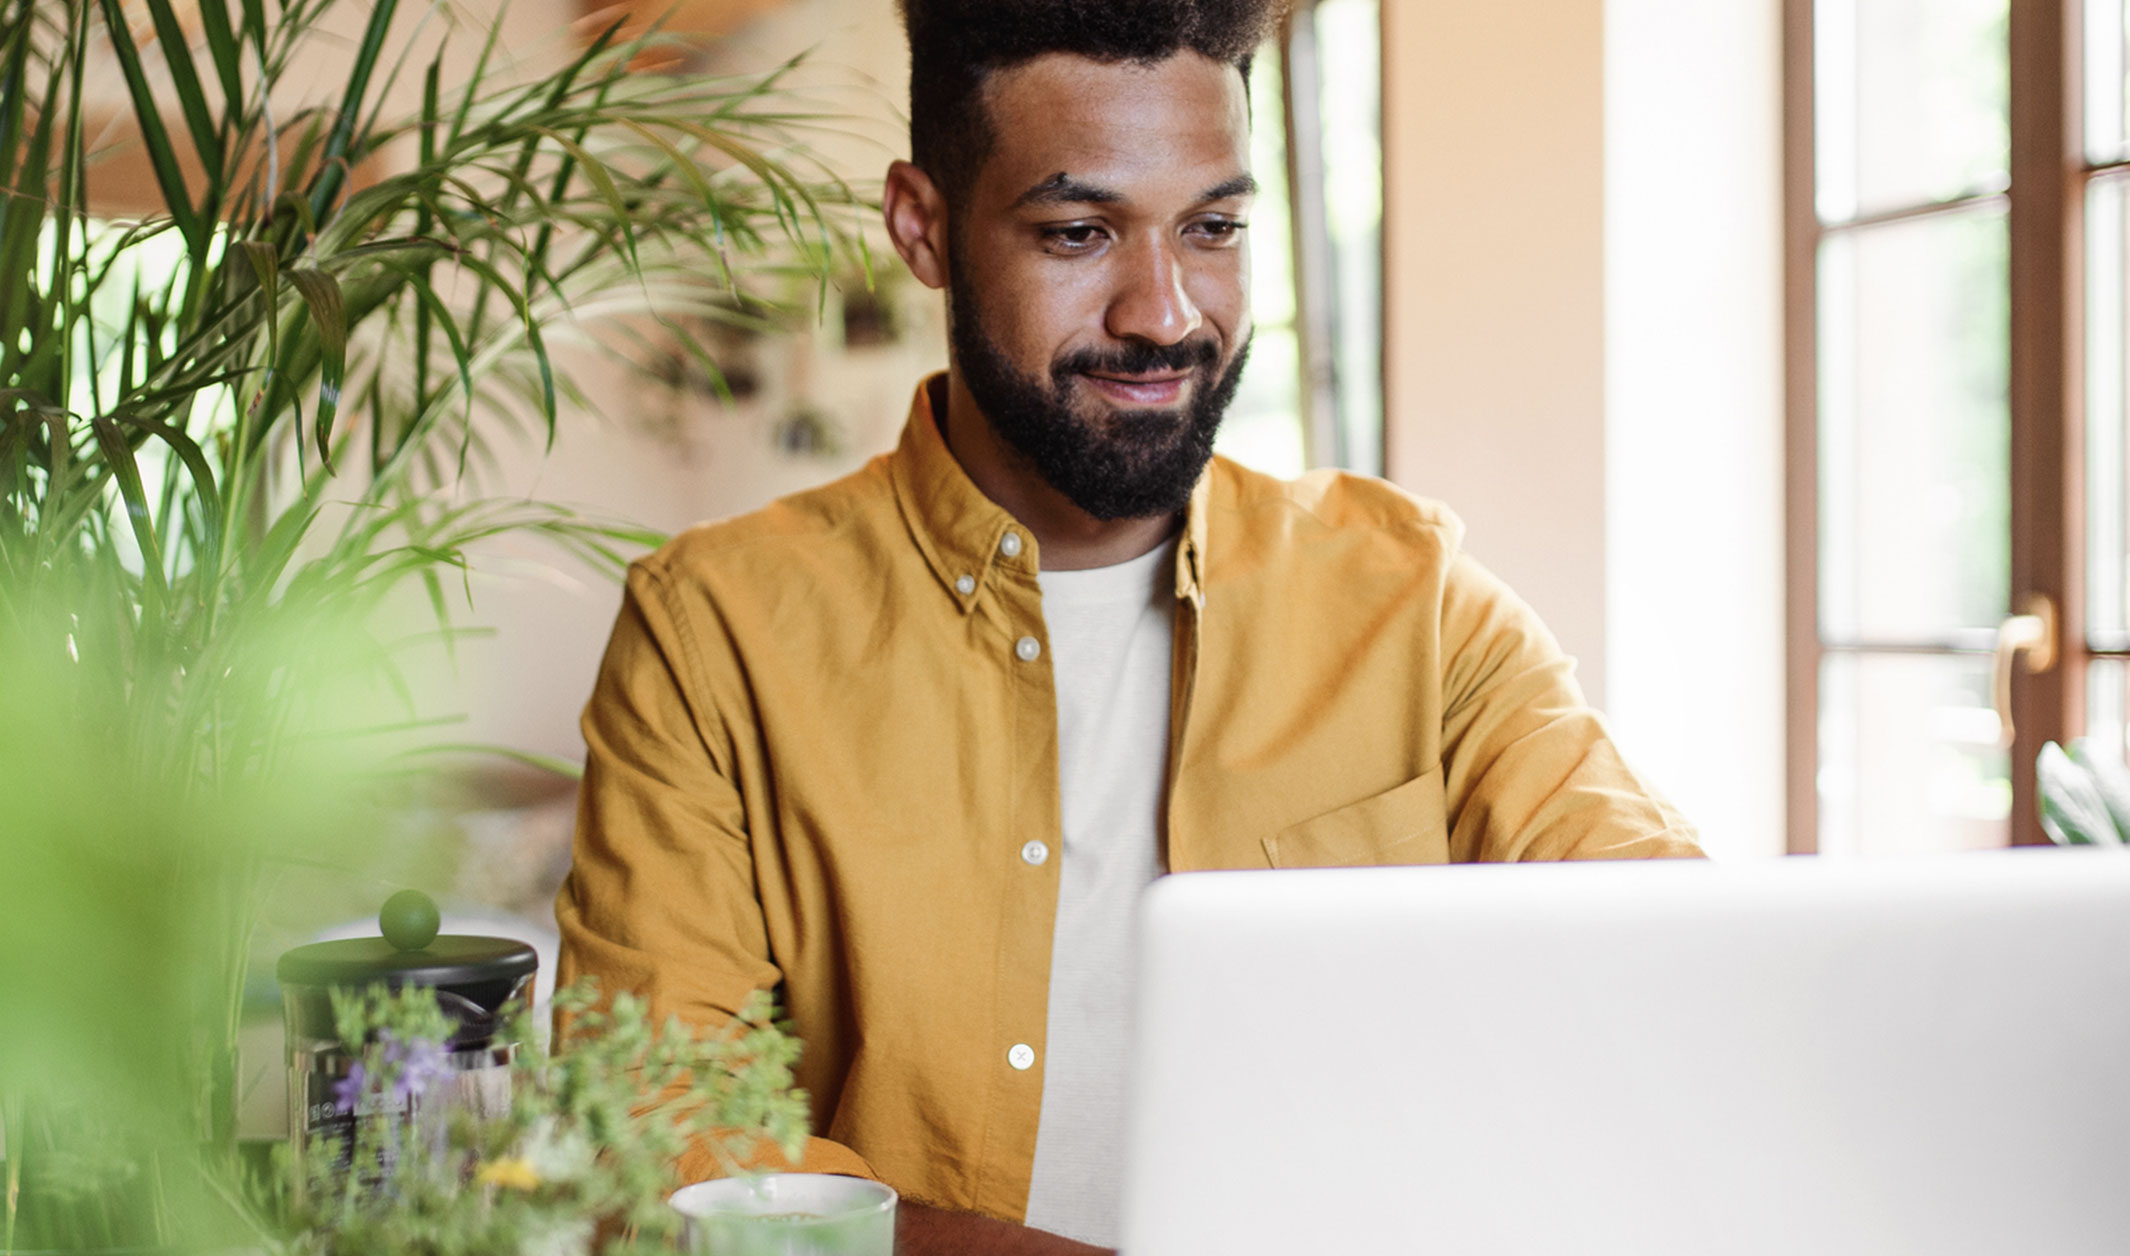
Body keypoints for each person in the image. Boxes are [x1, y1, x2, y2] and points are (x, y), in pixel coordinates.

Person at [555, 1, 1702, 1251]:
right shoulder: (712, 631)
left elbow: (1669, 966)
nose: (1164, 313)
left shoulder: (1413, 599)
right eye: (1078, 231)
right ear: (924, 226)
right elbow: (655, 1140)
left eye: (1212, 227)